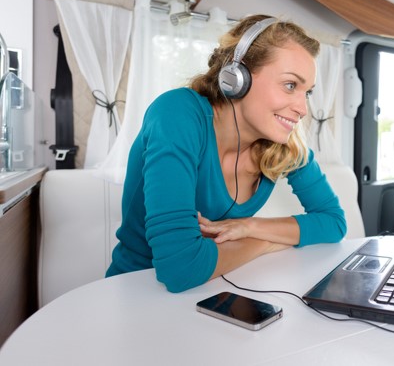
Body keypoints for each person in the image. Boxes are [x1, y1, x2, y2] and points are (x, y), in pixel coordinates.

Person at [106, 15, 347, 292]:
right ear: (237, 77)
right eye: (291, 85)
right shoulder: (177, 114)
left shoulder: (284, 143)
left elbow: (334, 222)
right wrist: (266, 242)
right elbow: (180, 269)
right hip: (137, 291)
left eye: (308, 92)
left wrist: (250, 226)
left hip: (213, 288)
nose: (303, 109)